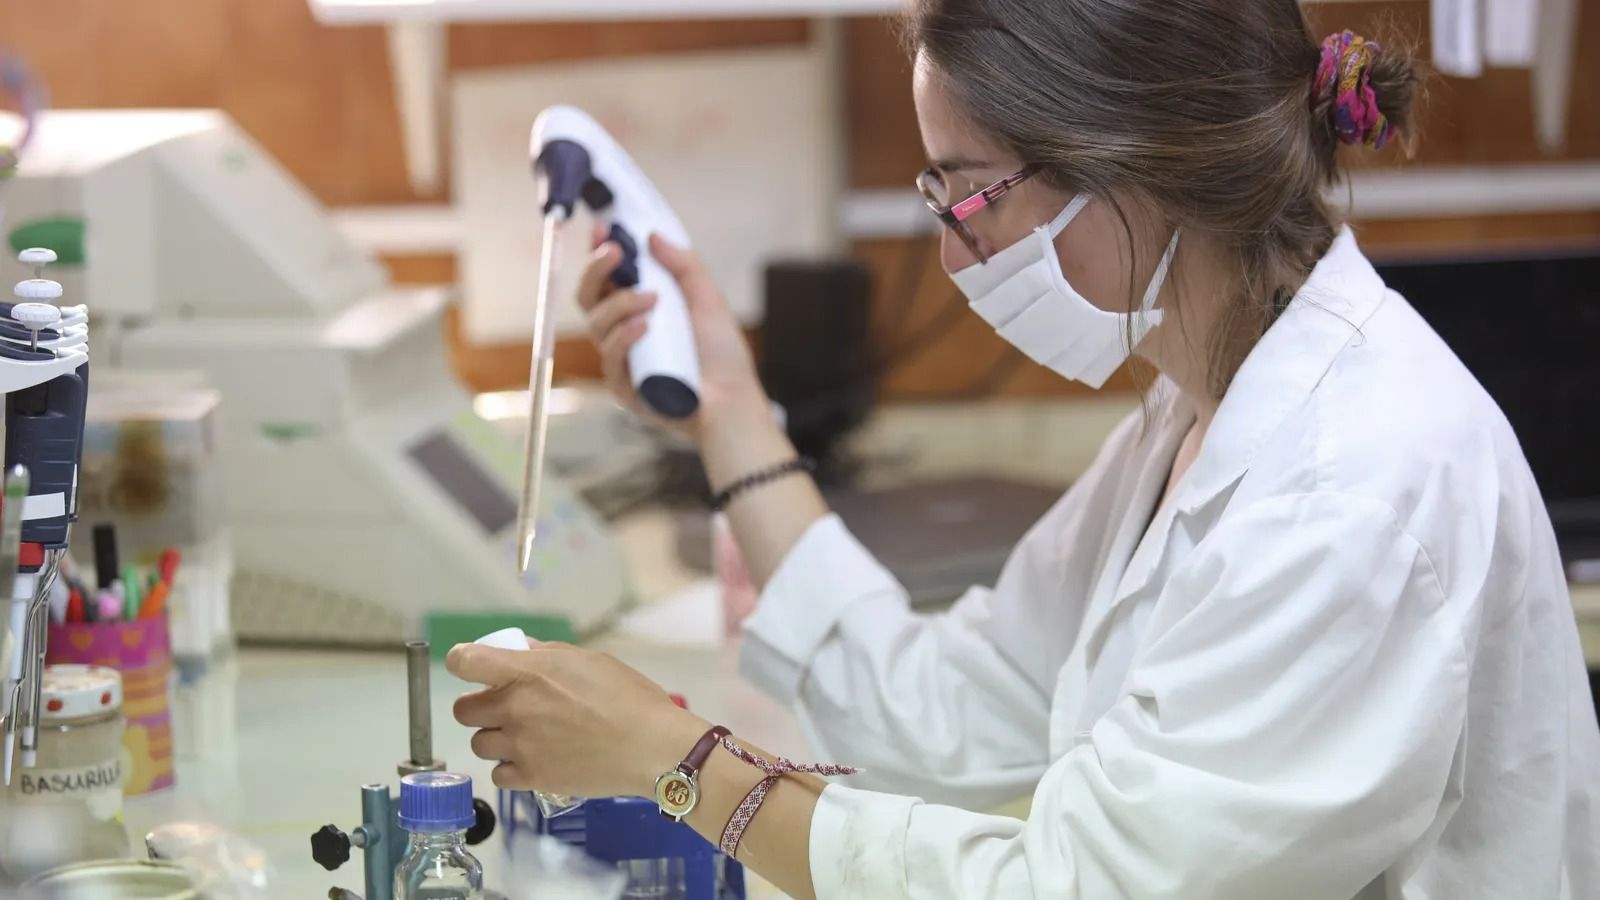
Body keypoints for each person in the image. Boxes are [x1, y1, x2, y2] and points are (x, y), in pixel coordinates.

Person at [448, 1, 1600, 897]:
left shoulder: (1350, 489)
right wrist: (725, 403)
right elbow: (941, 709)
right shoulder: (1201, 408)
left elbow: (1076, 886)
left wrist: (680, 766)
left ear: (1137, 159)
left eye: (968, 197)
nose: (955, 258)